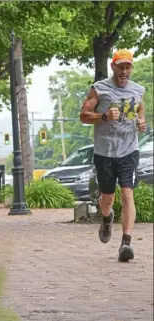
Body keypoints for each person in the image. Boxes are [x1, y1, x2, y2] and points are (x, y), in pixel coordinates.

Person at [79, 49, 146, 262]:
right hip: (105, 152)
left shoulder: (138, 90)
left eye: (128, 67)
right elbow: (83, 115)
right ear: (113, 67)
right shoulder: (99, 89)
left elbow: (140, 111)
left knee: (128, 194)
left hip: (129, 150)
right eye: (120, 67)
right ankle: (107, 219)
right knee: (107, 198)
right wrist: (104, 115)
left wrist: (141, 122)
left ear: (131, 68)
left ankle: (126, 243)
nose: (124, 71)